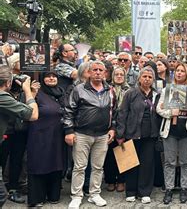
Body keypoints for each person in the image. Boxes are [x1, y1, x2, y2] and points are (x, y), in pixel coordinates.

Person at [63, 61, 116, 209]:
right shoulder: (79, 89)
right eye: (95, 70)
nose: (98, 72)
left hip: (102, 135)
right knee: (79, 167)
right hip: (82, 133)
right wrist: (69, 131)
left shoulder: (110, 90)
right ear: (90, 72)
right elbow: (69, 111)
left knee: (98, 167)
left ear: (105, 73)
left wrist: (112, 128)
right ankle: (77, 196)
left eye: (101, 70)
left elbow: (114, 111)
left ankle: (94, 194)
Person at [116, 67, 160, 204]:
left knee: (147, 164)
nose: (147, 79)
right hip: (132, 133)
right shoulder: (131, 93)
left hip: (150, 135)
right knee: (131, 163)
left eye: (150, 77)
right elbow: (122, 114)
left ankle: (144, 192)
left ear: (153, 80)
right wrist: (120, 133)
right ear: (139, 78)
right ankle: (131, 191)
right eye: (144, 76)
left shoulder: (157, 95)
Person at [157, 62, 187, 205]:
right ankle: (169, 189)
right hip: (170, 131)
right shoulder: (166, 90)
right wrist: (169, 113)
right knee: (169, 161)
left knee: (186, 161)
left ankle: (184, 188)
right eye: (177, 71)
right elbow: (158, 108)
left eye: (182, 71)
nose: (179, 73)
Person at [0, 65, 39, 207]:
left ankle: (13, 187)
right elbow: (33, 114)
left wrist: (30, 94)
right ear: (9, 82)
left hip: (17, 132)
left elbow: (24, 110)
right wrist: (27, 90)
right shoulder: (3, 95)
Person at [27, 71, 64, 207]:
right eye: (48, 76)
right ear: (43, 79)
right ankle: (37, 198)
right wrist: (32, 93)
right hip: (40, 135)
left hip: (58, 135)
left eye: (54, 76)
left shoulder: (61, 93)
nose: (51, 78)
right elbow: (26, 109)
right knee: (39, 163)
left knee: (56, 162)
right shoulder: (37, 92)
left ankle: (53, 195)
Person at [103, 67, 129, 193]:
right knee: (109, 156)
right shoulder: (106, 89)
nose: (119, 76)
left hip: (124, 126)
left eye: (121, 74)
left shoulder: (130, 90)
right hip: (109, 127)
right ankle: (110, 180)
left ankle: (121, 180)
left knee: (123, 154)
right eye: (116, 74)